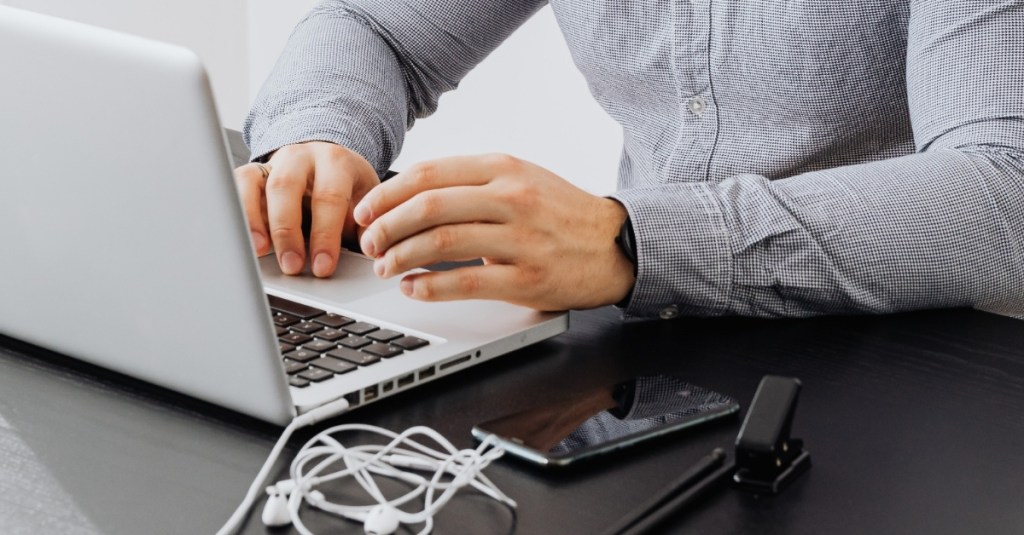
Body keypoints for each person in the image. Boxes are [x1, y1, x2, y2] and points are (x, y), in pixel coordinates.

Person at [236, 1, 1024, 319]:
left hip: (923, 370)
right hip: (647, 359)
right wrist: (316, 139)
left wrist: (629, 239)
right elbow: (375, 29)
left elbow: (1004, 189)